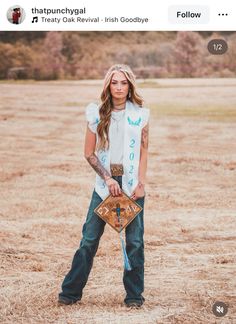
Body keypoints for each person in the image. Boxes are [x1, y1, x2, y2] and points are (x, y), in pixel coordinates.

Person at [58, 64, 150, 308]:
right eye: (114, 82)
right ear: (108, 85)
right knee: (89, 239)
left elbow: (144, 150)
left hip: (130, 185)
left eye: (123, 83)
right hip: (104, 185)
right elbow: (89, 153)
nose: (119, 87)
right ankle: (70, 293)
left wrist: (140, 183)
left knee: (135, 242)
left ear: (130, 86)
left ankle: (133, 296)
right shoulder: (96, 113)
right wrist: (108, 178)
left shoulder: (140, 114)